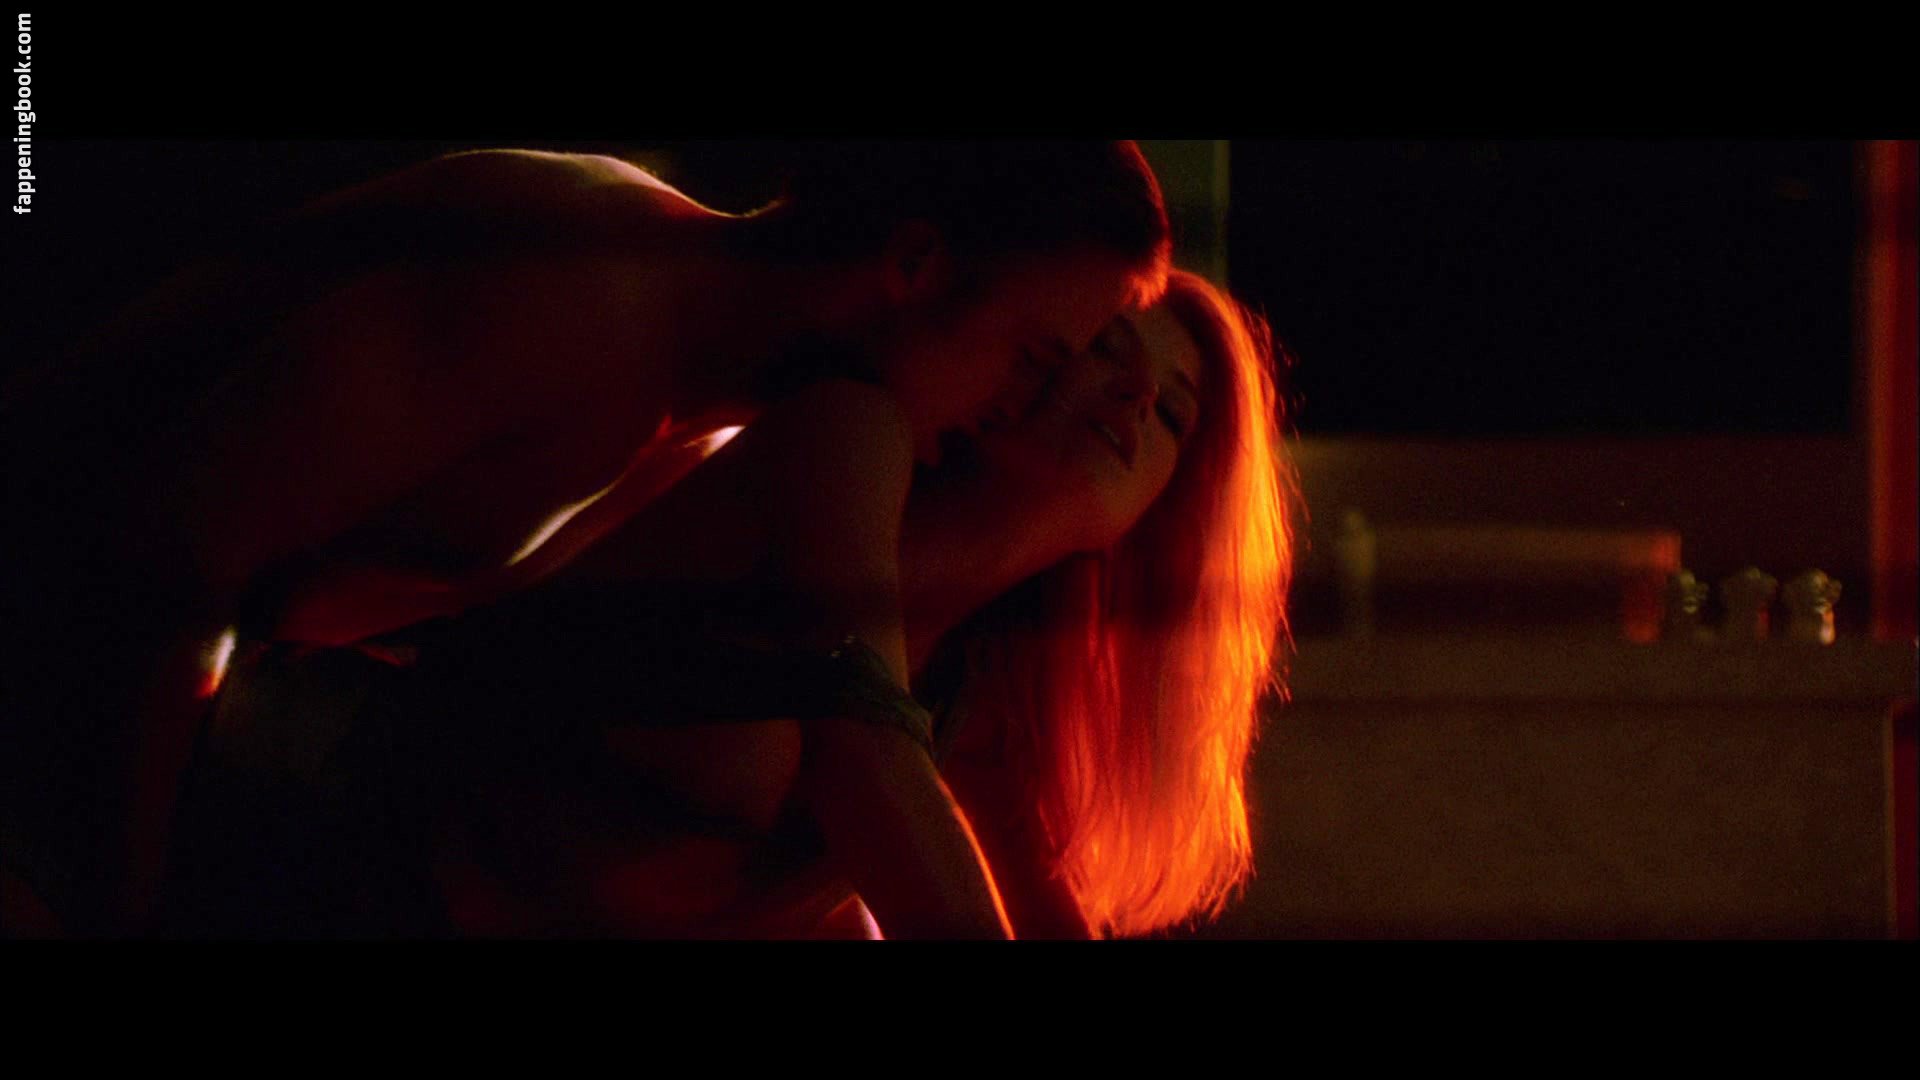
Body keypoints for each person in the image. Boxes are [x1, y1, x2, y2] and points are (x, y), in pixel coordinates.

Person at [0, 142, 1170, 936]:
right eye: (1030, 361)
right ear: (914, 266)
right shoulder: (578, 291)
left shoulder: (703, 423)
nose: (1021, 408)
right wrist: (117, 907)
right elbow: (168, 556)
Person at [154, 269, 1295, 938]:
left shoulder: (980, 704)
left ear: (1159, 515)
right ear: (1020, 362)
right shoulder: (842, 436)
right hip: (258, 861)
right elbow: (858, 742)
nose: (1135, 399)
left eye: (1174, 412)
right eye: (1108, 351)